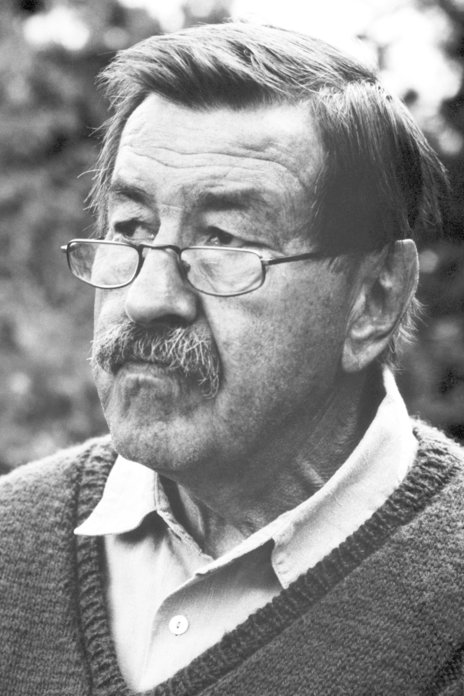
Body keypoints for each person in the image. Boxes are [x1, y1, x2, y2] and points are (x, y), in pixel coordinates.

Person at [1, 21, 464, 696]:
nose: (147, 298)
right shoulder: (12, 543)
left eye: (223, 241)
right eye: (130, 228)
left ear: (374, 298)